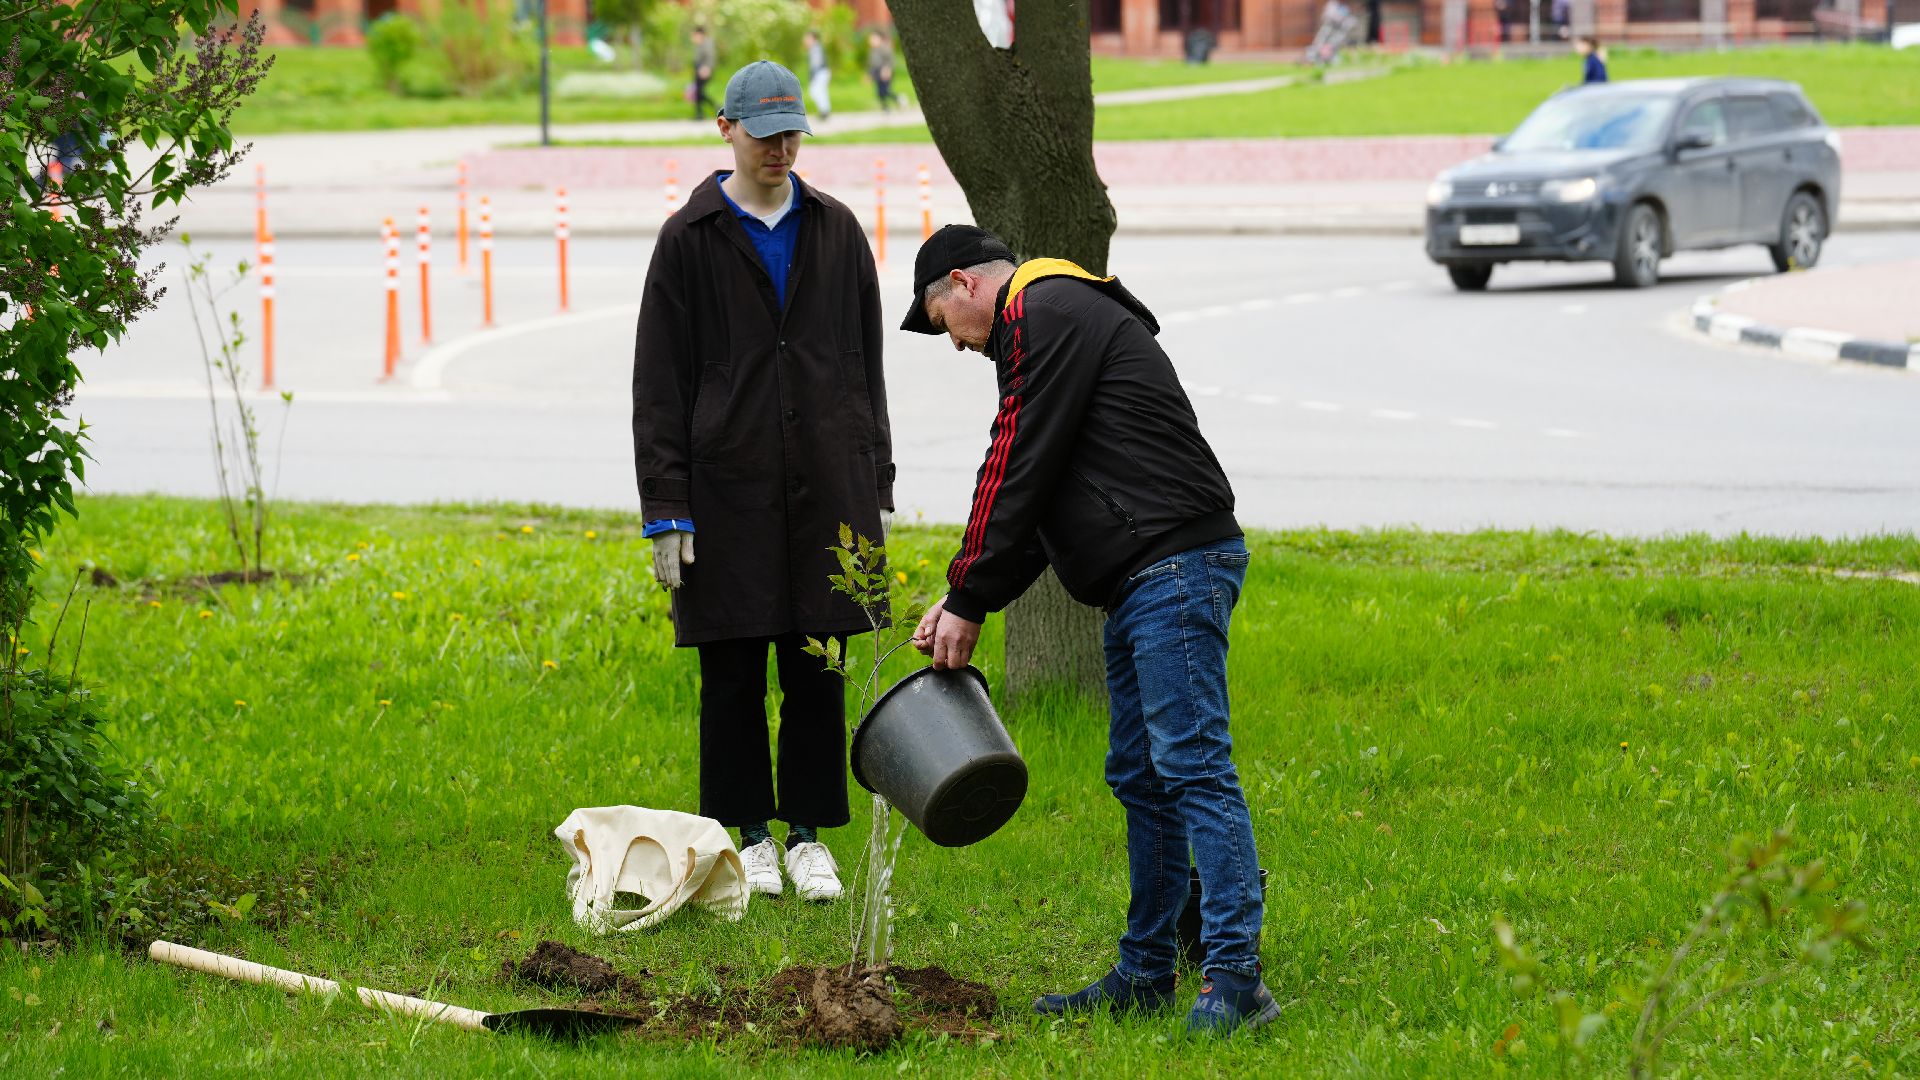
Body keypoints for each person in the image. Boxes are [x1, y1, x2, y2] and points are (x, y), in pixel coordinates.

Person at [902, 226, 1276, 1036]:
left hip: (1172, 565)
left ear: (964, 283)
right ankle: (1147, 971)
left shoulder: (1044, 308)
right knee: (1142, 775)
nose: (958, 349)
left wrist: (970, 596)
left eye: (944, 326)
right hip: (1146, 573)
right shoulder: (1057, 315)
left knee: (1191, 764)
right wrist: (964, 595)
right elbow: (1041, 497)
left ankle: (1237, 978)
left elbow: (1016, 460)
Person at [632, 60, 894, 904]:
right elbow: (658, 384)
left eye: (792, 135)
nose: (781, 149)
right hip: (726, 489)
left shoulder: (837, 230)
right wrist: (667, 508)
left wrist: (871, 474)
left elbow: (864, 367)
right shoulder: (690, 238)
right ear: (726, 129)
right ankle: (747, 835)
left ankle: (811, 833)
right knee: (734, 671)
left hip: (826, 484)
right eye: (764, 133)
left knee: (819, 663)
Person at [689, 25, 717, 119]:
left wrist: (707, 68)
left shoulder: (707, 43)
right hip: (699, 69)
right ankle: (699, 113)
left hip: (704, 70)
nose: (693, 37)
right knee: (698, 92)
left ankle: (716, 106)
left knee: (699, 92)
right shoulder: (700, 44)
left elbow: (710, 57)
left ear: (700, 34)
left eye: (695, 35)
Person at [803, 29, 831, 122]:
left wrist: (812, 76)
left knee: (816, 92)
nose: (806, 40)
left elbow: (816, 64)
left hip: (820, 72)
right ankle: (824, 111)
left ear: (813, 38)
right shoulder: (814, 48)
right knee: (820, 92)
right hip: (821, 72)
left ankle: (824, 112)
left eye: (808, 38)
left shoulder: (816, 48)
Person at [866, 30, 896, 113]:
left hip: (885, 72)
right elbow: (872, 64)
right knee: (879, 92)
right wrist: (869, 75)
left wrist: (887, 70)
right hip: (877, 72)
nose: (872, 41)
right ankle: (885, 107)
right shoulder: (872, 51)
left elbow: (890, 60)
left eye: (874, 39)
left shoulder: (884, 48)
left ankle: (898, 99)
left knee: (885, 90)